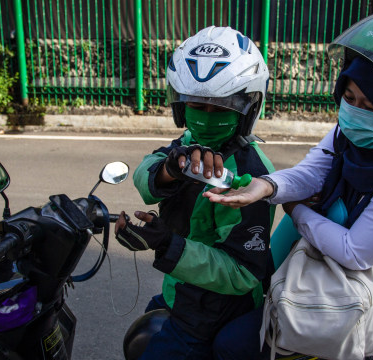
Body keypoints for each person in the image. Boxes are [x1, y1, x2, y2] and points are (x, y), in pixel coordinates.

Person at [205, 8, 373, 359]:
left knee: (232, 346)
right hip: (314, 252)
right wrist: (265, 187)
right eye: (349, 97)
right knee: (239, 301)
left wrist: (296, 210)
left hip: (367, 293)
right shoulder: (357, 132)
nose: (354, 112)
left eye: (370, 104)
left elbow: (354, 252)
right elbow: (312, 172)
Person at [113, 26, 276, 360]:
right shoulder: (186, 146)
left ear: (248, 107)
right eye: (197, 105)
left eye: (221, 107)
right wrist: (169, 171)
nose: (206, 117)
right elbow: (147, 170)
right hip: (181, 289)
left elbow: (242, 272)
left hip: (215, 308)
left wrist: (168, 244)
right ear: (180, 106)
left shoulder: (250, 175)